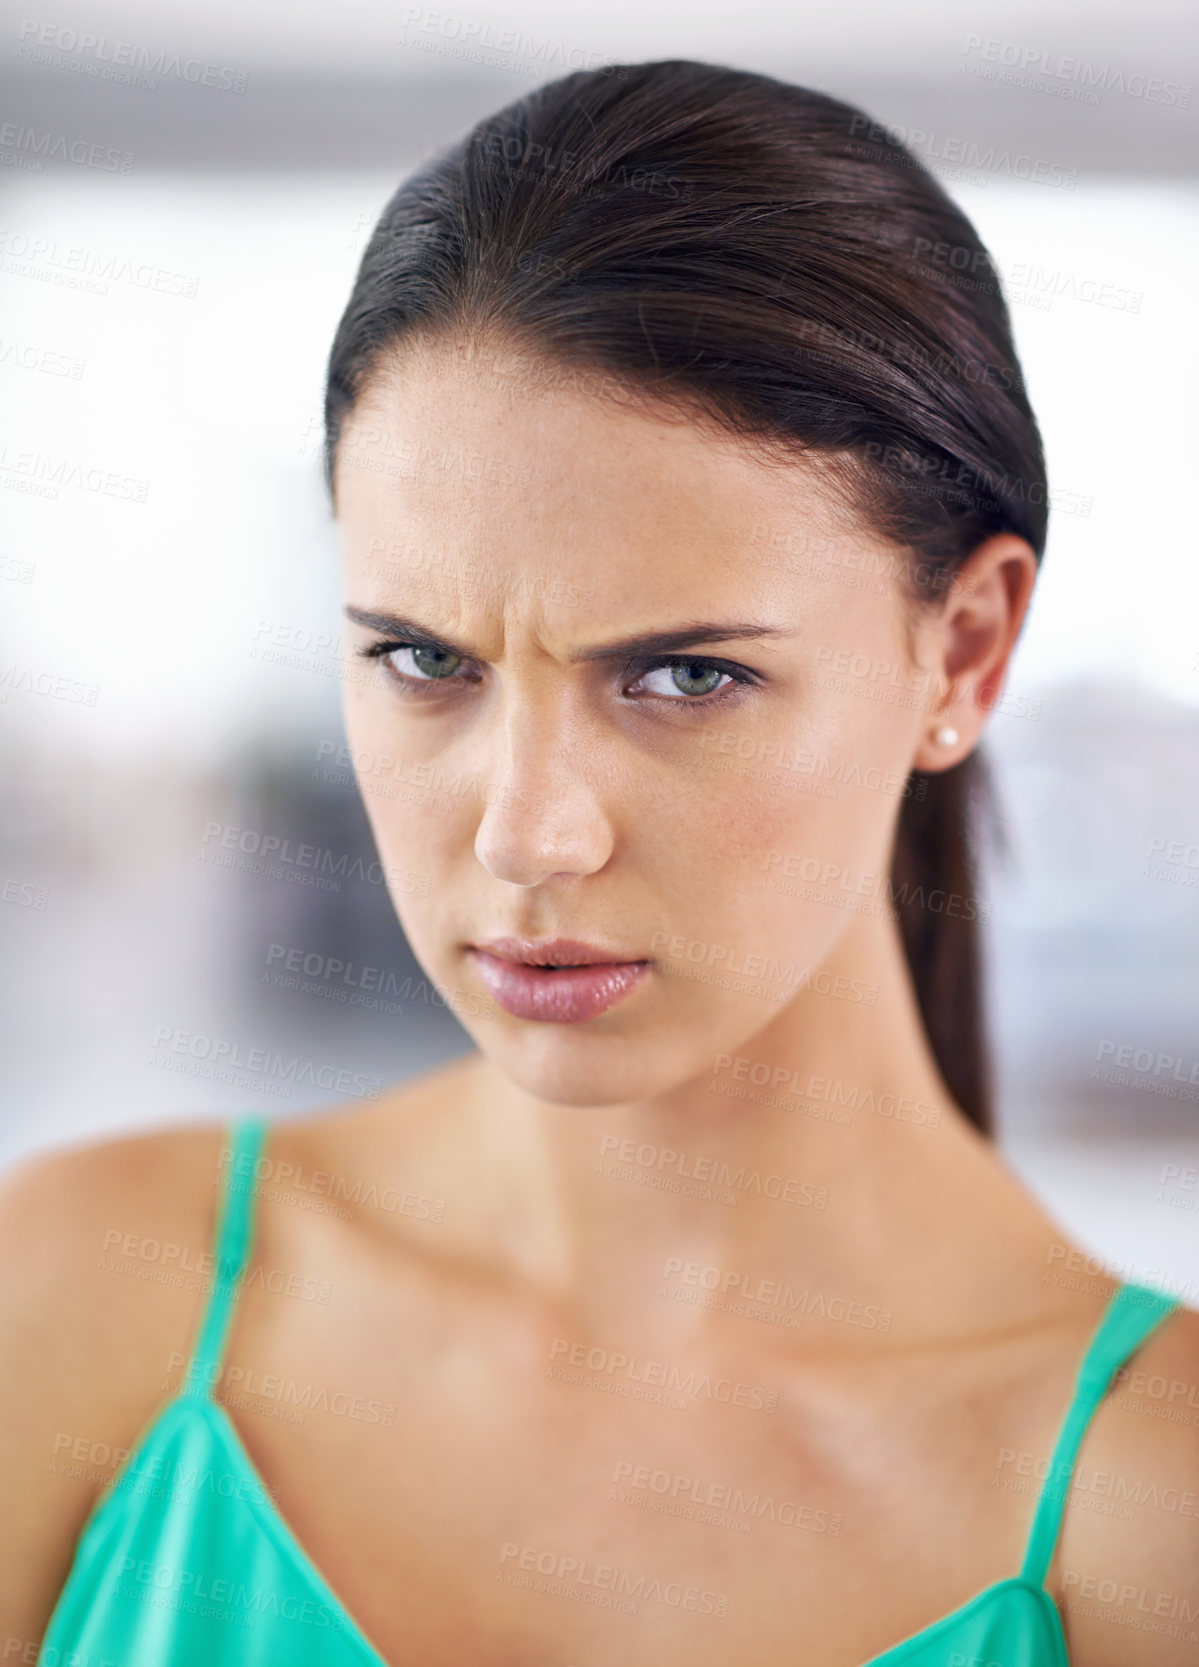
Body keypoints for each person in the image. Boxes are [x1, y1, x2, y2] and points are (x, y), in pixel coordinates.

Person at [3, 59, 1196, 1667]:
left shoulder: (1154, 1515)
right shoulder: (79, 1303)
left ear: (963, 653)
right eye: (426, 661)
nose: (523, 833)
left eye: (686, 677)